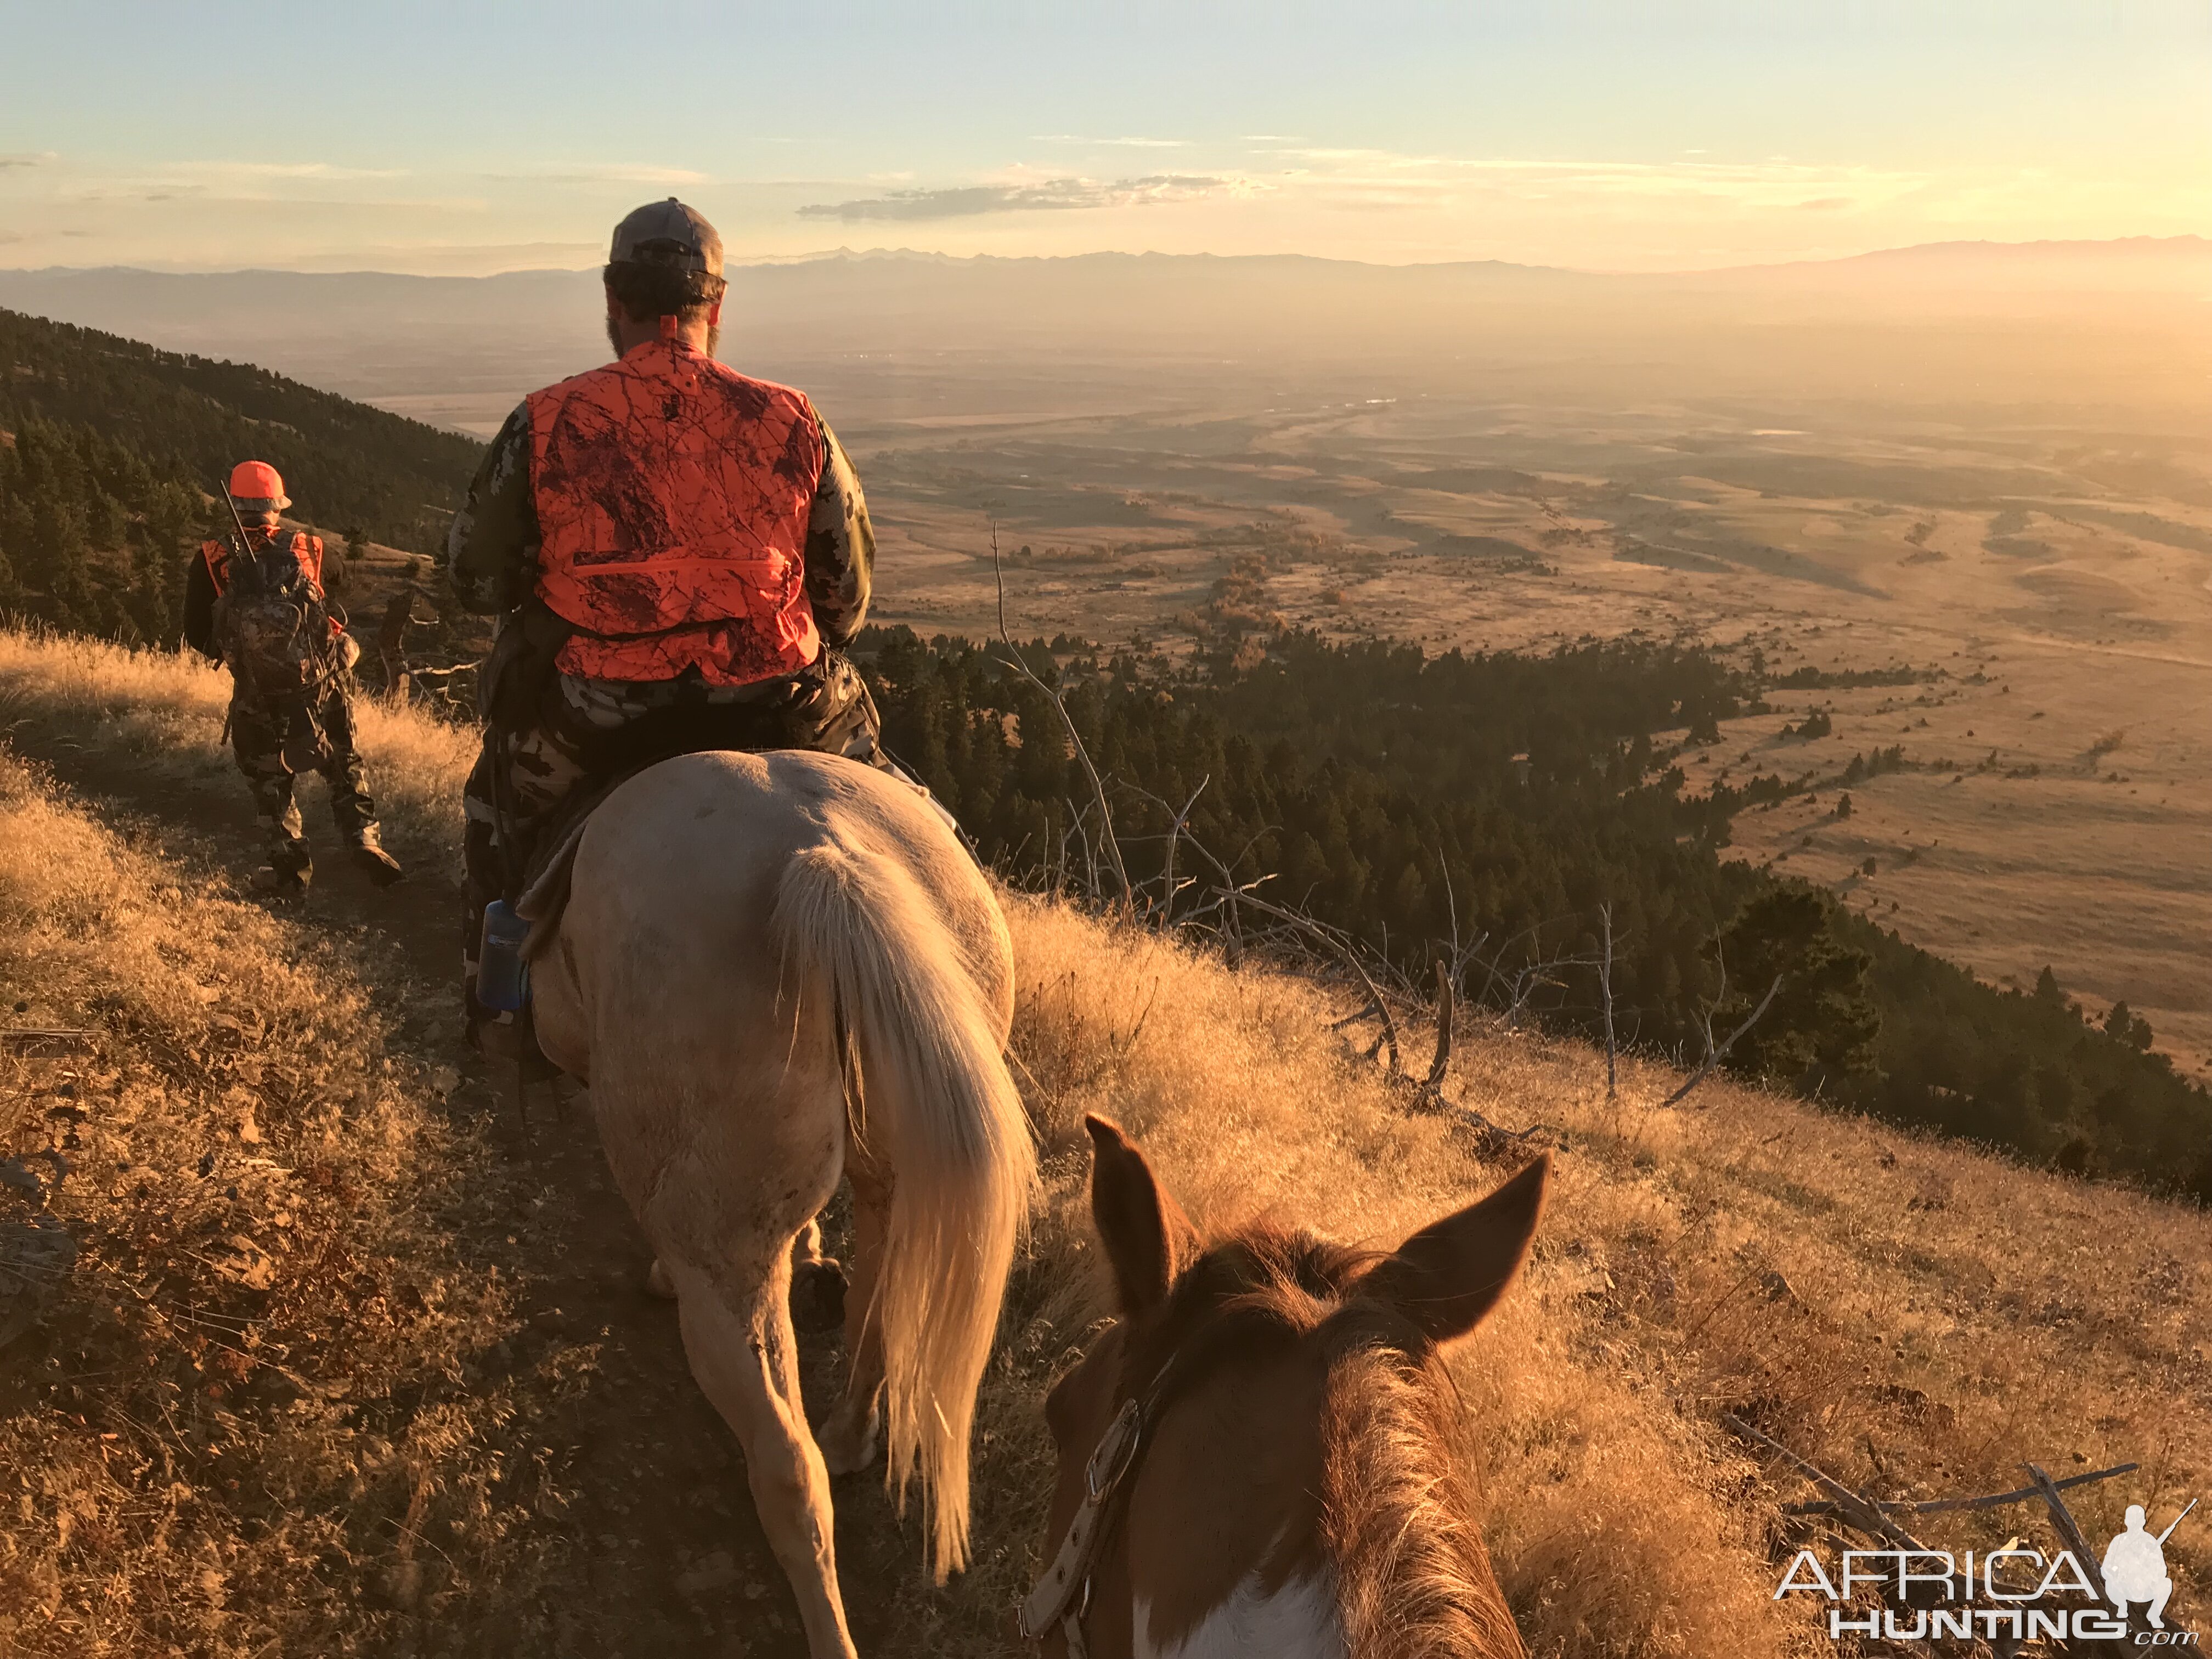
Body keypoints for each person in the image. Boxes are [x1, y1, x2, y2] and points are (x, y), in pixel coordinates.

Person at [447, 198, 893, 1059]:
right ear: (715, 309)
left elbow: (472, 575)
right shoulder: (794, 419)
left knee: (493, 818)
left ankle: (497, 1004)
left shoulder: (547, 420)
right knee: (910, 817)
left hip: (601, 706)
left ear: (613, 301)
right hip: (779, 698)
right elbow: (847, 599)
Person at [184, 460, 404, 895]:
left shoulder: (211, 557)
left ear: (237, 506)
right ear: (276, 507)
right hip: (320, 686)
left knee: (270, 782)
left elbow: (195, 632)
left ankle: (290, 870)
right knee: (343, 760)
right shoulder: (312, 549)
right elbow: (335, 593)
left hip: (255, 695)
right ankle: (362, 836)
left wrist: (239, 655)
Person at [2102, 1504, 2176, 1628]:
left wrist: (2150, 1576)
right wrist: (2114, 1574)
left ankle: (2154, 1615)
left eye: (2137, 1520)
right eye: (2131, 1519)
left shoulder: (2151, 1542)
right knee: (2111, 1583)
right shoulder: (2118, 1542)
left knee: (2166, 1584)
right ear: (2126, 1521)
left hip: (2144, 1590)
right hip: (2122, 1589)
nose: (2134, 1523)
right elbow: (2105, 1568)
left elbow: (2162, 1570)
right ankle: (2122, 1608)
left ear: (2143, 1521)